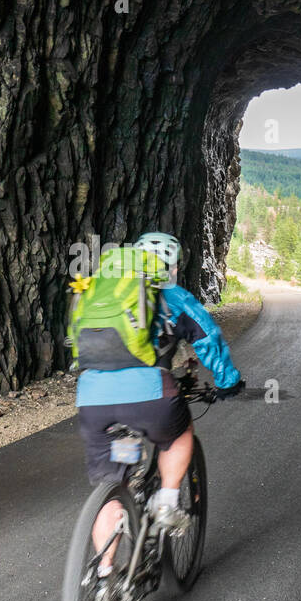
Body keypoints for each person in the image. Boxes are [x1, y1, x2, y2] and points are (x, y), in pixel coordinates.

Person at [75, 231, 244, 571]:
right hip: (149, 393)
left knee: (114, 482)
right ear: (174, 266)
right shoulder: (173, 296)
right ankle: (167, 500)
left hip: (91, 396)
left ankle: (106, 574)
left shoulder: (101, 291)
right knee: (179, 433)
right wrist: (227, 382)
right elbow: (208, 337)